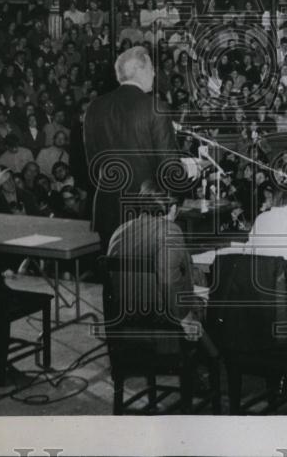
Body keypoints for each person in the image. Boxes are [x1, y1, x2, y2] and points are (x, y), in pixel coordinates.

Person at [84, 46, 193, 251]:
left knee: (114, 276)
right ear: (139, 70)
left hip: (107, 208)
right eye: (151, 68)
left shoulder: (94, 107)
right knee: (147, 278)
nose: (153, 73)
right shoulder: (154, 107)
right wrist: (185, 185)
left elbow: (93, 163)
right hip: (146, 210)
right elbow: (168, 167)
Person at [107, 183, 204, 343]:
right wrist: (185, 317)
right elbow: (169, 281)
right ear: (173, 208)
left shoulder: (120, 231)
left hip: (124, 315)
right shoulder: (170, 230)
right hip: (162, 317)